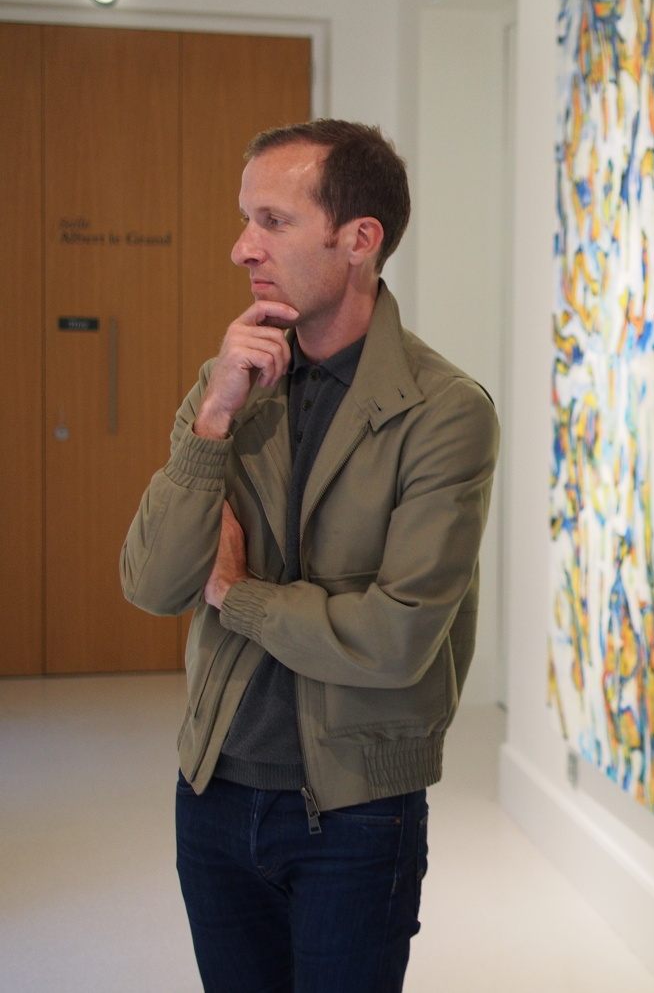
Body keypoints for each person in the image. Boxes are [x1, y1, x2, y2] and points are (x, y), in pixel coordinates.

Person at [120, 119, 500, 992]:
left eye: (273, 220)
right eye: (245, 219)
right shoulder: (228, 385)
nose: (241, 247)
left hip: (357, 811)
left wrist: (238, 594)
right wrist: (211, 423)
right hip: (213, 791)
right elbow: (152, 583)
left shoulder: (445, 410)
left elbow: (398, 638)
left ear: (359, 239)